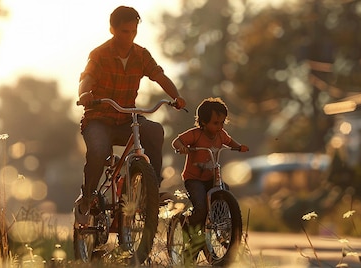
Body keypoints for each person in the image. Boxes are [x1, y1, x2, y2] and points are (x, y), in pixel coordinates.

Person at [75, 6, 186, 218]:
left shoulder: (141, 55)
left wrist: (176, 96)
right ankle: (88, 195)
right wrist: (85, 94)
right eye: (125, 32)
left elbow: (159, 76)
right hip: (99, 120)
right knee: (98, 150)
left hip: (126, 119)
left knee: (154, 131)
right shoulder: (99, 54)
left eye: (134, 31)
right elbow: (86, 78)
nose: (130, 36)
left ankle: (151, 190)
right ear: (112, 30)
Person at [171, 97, 248, 264]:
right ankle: (187, 222)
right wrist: (182, 148)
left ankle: (223, 225)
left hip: (212, 178)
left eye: (222, 123)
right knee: (200, 206)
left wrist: (239, 146)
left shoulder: (221, 134)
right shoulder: (195, 134)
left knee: (225, 191)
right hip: (194, 179)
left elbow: (229, 142)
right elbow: (177, 141)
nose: (219, 126)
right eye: (215, 123)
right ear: (203, 122)